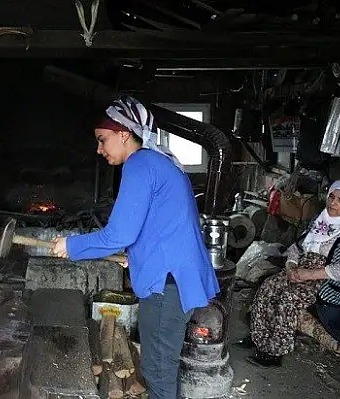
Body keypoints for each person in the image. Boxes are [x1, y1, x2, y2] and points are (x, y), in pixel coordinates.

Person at [50, 95, 219, 399]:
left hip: (168, 284)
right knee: (162, 365)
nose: (99, 148)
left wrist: (71, 245)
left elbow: (119, 234)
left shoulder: (140, 164)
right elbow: (160, 226)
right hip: (174, 275)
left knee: (157, 369)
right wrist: (135, 256)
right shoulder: (160, 162)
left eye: (102, 140)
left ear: (124, 134)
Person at [247, 180, 340, 367]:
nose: (333, 203)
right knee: (268, 287)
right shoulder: (322, 220)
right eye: (331, 196)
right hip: (301, 269)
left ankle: (274, 352)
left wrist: (309, 275)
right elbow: (297, 246)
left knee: (288, 298)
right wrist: (291, 266)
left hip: (327, 280)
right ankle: (259, 339)